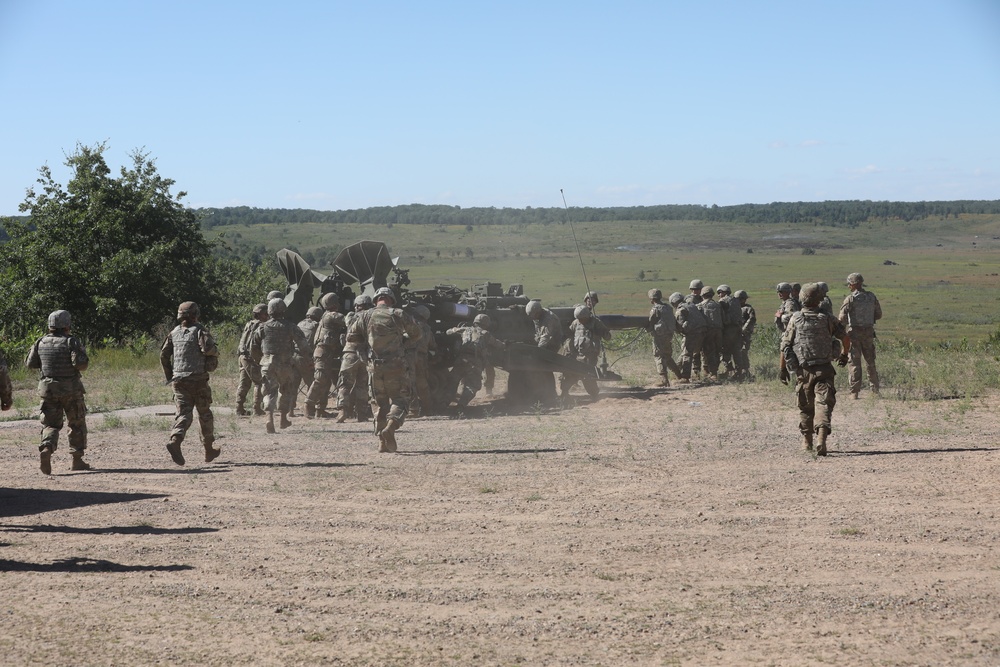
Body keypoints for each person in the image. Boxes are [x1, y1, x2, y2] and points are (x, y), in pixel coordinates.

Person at [345, 286, 422, 452]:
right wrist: (403, 341)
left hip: (374, 367)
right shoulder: (398, 314)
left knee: (379, 404)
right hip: (396, 365)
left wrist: (364, 348)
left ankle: (382, 442)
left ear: (375, 300)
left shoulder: (365, 315)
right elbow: (417, 334)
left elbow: (351, 337)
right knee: (400, 400)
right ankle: (391, 428)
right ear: (391, 300)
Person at [780, 283, 851, 456]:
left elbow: (785, 346)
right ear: (818, 299)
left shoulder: (795, 318)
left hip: (803, 371)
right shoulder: (827, 318)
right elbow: (845, 337)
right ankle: (821, 439)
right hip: (825, 369)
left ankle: (806, 442)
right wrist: (843, 355)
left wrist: (782, 369)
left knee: (805, 407)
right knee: (823, 404)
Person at [25, 310, 90, 474]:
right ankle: (77, 459)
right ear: (67, 325)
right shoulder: (71, 342)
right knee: (76, 423)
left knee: (50, 424)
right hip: (71, 390)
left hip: (48, 390)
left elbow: (30, 364)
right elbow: (81, 364)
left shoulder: (40, 342)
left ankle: (47, 448)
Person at [160, 301, 220, 466]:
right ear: (195, 314)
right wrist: (216, 353)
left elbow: (163, 355)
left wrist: (170, 375)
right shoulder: (200, 331)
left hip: (179, 381)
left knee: (184, 414)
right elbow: (208, 349)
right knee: (204, 414)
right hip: (198, 380)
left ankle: (175, 440)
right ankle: (208, 449)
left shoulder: (173, 333)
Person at [251, 298, 311, 434]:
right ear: (283, 310)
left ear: (270, 311)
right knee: (286, 389)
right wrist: (306, 358)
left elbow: (253, 346)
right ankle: (283, 419)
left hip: (267, 364)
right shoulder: (290, 326)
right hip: (285, 363)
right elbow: (303, 344)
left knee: (268, 391)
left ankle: (269, 418)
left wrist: (260, 359)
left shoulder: (262, 327)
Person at [446, 313, 505, 408]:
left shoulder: (466, 329)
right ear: (486, 324)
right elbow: (497, 344)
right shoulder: (485, 334)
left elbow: (448, 332)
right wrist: (505, 344)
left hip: (461, 359)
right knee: (473, 385)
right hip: (475, 362)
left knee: (452, 381)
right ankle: (461, 405)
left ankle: (444, 403)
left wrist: (456, 329)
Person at [839, 272, 883, 398]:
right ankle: (875, 390)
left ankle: (854, 392)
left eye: (849, 284)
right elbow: (879, 315)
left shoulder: (850, 299)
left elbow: (841, 318)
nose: (848, 286)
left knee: (854, 363)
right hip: (868, 332)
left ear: (853, 284)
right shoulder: (871, 297)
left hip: (855, 334)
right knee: (870, 362)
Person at [336, 295, 374, 423]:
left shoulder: (351, 316)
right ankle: (362, 414)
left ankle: (342, 411)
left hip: (350, 353)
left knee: (345, 383)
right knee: (362, 385)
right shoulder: (372, 317)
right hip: (365, 355)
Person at [560, 305, 611, 398]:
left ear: (587, 316)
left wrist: (601, 332)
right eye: (578, 318)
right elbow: (569, 333)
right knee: (570, 373)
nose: (580, 320)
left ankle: (594, 393)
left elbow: (608, 336)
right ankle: (564, 392)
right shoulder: (575, 323)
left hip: (590, 356)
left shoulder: (596, 322)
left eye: (582, 318)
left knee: (587, 375)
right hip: (577, 354)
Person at [305, 310, 346, 419]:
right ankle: (308, 405)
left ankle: (320, 410)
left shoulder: (324, 317)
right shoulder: (331, 315)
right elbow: (346, 320)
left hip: (326, 354)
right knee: (319, 379)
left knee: (326, 382)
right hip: (323, 353)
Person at [526, 299, 563, 403]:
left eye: (533, 315)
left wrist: (537, 352)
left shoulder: (549, 319)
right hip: (543, 343)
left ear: (537, 312)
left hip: (552, 345)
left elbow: (545, 337)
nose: (532, 318)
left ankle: (551, 393)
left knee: (546, 368)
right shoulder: (537, 315)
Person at [236, 303, 268, 416]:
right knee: (259, 382)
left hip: (242, 356)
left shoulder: (249, 324)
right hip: (251, 358)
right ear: (262, 314)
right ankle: (256, 408)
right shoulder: (262, 326)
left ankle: (239, 408)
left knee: (244, 383)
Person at [670, 292, 707, 384]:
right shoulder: (691, 306)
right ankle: (678, 369)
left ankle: (685, 377)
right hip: (702, 332)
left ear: (674, 303)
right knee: (690, 353)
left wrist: (677, 330)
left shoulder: (681, 309)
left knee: (687, 354)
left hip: (693, 333)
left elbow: (680, 325)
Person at [647, 288, 681, 386]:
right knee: (667, 356)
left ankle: (664, 380)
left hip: (659, 336)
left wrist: (649, 329)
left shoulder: (655, 309)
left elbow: (651, 323)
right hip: (669, 335)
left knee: (659, 356)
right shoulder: (668, 307)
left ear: (652, 299)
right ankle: (679, 375)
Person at [410, 305, 437, 416]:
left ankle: (413, 410)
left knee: (410, 384)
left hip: (410, 356)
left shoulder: (410, 325)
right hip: (422, 358)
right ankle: (428, 409)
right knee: (422, 384)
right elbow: (433, 345)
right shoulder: (427, 329)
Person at [698, 286, 723, 381]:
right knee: (717, 351)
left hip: (708, 332)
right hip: (719, 331)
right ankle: (713, 371)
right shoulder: (717, 305)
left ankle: (712, 373)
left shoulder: (700, 306)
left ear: (702, 295)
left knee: (708, 352)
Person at [717, 285, 741, 377]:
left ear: (723, 292)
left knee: (725, 351)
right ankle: (739, 371)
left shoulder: (723, 301)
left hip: (728, 329)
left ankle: (729, 370)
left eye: (719, 293)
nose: (719, 295)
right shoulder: (736, 301)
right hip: (737, 328)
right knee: (736, 351)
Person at [734, 290, 756, 381]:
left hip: (745, 334)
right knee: (736, 352)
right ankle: (738, 371)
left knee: (743, 351)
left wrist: (744, 330)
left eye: (742, 299)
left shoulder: (748, 308)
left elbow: (752, 319)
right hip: (736, 334)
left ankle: (746, 371)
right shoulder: (734, 309)